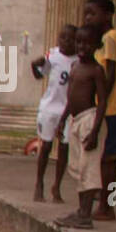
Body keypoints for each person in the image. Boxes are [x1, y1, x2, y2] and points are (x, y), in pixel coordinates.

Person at [53, 25, 110, 230]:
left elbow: (102, 101)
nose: (82, 46)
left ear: (97, 46)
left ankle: (86, 214)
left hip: (90, 120)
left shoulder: (96, 70)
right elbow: (71, 97)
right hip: (75, 121)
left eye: (87, 43)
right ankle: (81, 211)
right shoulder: (75, 66)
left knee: (89, 169)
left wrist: (95, 131)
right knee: (77, 167)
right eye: (79, 42)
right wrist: (62, 120)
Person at [83, 0, 116, 220]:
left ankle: (107, 207)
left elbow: (110, 75)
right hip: (112, 107)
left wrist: (100, 102)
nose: (88, 18)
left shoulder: (110, 38)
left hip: (112, 108)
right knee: (111, 161)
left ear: (108, 15)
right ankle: (111, 203)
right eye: (86, 14)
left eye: (92, 13)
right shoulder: (106, 39)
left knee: (109, 160)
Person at [30, 24, 77, 203]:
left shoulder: (78, 60)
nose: (65, 41)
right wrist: (34, 65)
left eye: (70, 38)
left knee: (64, 147)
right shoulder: (53, 55)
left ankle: (57, 185)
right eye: (62, 37)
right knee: (46, 146)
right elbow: (39, 75)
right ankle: (39, 184)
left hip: (68, 109)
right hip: (49, 108)